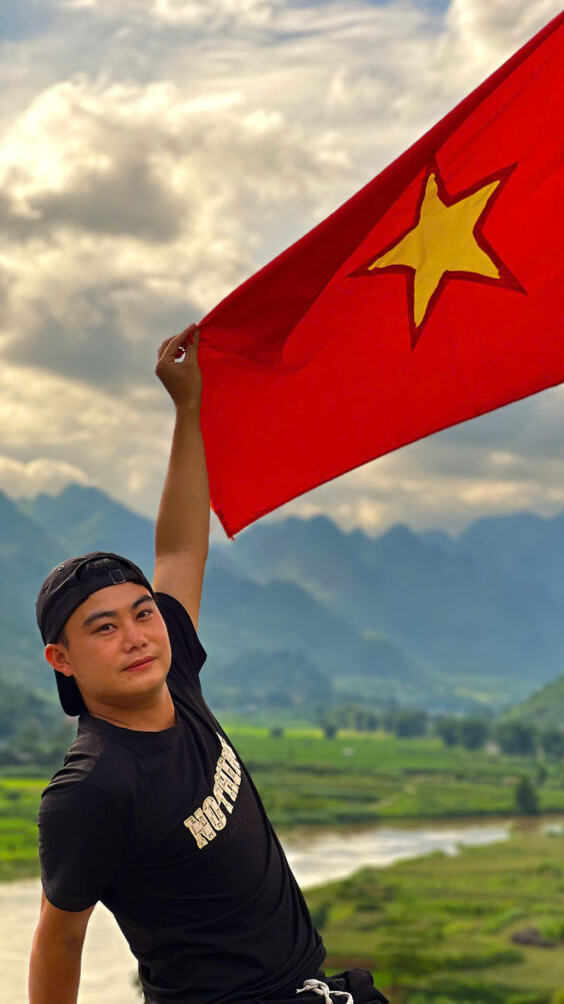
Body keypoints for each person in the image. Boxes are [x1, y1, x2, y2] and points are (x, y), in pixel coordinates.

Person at [28, 323, 390, 1004]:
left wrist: (188, 410)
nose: (137, 635)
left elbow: (181, 551)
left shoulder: (177, 674)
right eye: (103, 628)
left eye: (143, 613)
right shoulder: (94, 788)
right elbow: (58, 938)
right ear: (63, 658)